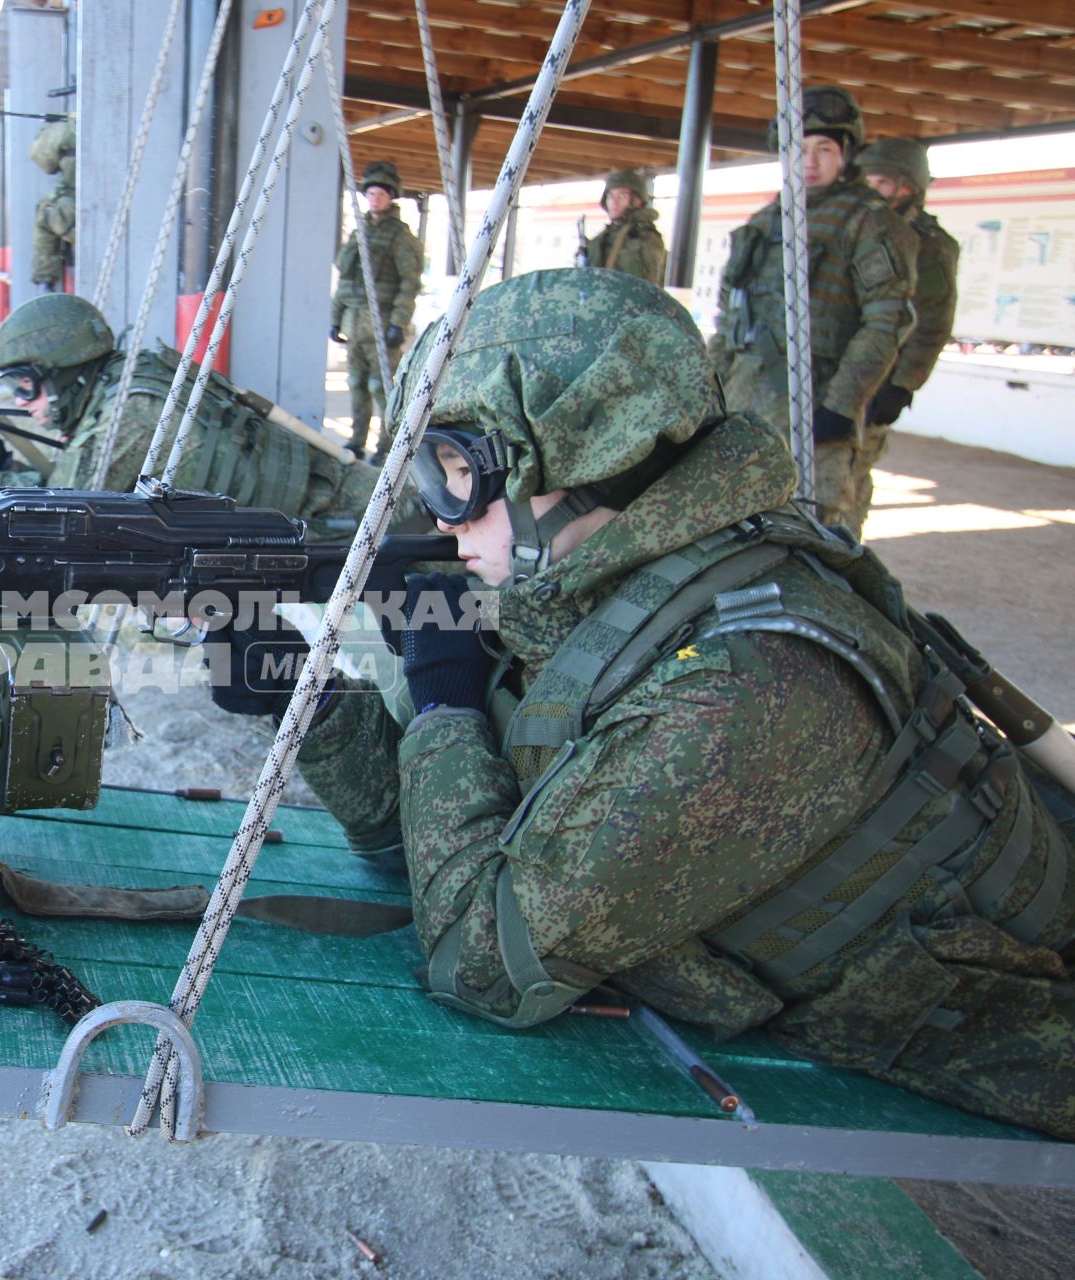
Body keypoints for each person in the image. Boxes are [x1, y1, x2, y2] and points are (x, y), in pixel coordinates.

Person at [218, 268, 1075, 1141]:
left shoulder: (742, 685)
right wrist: (313, 701)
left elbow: (482, 965)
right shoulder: (610, 585)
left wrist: (447, 709)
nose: (440, 520)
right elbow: (424, 849)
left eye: (456, 475)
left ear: (593, 462)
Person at [0, 293, 384, 523]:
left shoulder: (133, 414)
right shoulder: (125, 378)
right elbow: (78, 476)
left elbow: (53, 511)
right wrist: (1, 463)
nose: (26, 404)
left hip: (351, 517)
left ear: (63, 372)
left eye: (27, 386)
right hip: (334, 503)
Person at [708, 86, 917, 536]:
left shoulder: (868, 221)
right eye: (798, 149)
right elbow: (730, 318)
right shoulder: (768, 219)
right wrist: (711, 388)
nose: (810, 160)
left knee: (814, 531)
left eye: (824, 148)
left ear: (847, 153)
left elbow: (887, 321)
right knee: (727, 524)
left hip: (815, 402)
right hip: (746, 399)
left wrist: (841, 405)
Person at [854, 136, 961, 521]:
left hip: (877, 380)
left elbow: (933, 323)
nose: (873, 192)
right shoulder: (856, 229)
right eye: (868, 181)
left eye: (882, 183)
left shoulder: (928, 247)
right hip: (839, 369)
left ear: (910, 188)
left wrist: (902, 385)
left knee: (847, 481)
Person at [333, 160, 425, 462]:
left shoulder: (400, 236)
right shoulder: (358, 232)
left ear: (391, 196)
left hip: (381, 324)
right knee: (356, 384)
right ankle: (357, 439)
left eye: (381, 194)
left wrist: (398, 322)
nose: (375, 199)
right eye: (370, 193)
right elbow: (346, 281)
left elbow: (409, 282)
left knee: (381, 388)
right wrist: (334, 319)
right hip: (354, 322)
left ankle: (388, 446)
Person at [576, 170, 666, 284]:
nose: (614, 202)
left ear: (638, 200)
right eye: (610, 196)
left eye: (622, 196)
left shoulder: (647, 239)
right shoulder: (603, 236)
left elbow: (651, 287)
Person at [30, 118, 77, 291]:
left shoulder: (67, 128)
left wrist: (47, 131)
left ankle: (45, 284)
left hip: (77, 213)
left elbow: (43, 161)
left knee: (45, 213)